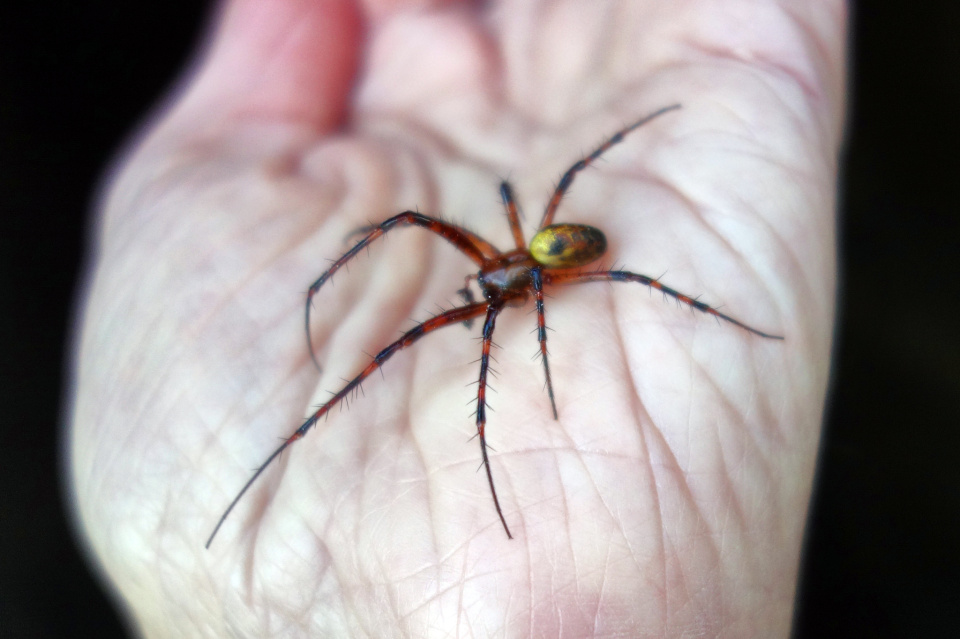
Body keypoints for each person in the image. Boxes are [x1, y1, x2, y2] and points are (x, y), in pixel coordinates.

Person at [66, 0, 843, 635]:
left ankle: (719, 315)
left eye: (495, 286)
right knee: (414, 222)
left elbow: (523, 313)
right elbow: (474, 239)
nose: (482, 286)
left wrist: (528, 343)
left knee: (602, 272)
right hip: (539, 256)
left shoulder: (529, 285)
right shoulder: (509, 267)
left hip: (561, 256)